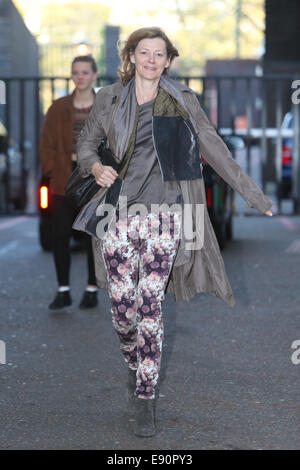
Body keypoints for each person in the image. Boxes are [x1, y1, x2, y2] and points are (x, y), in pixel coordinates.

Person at [74, 27, 273, 437]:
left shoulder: (182, 101)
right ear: (131, 57)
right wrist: (95, 166)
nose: (150, 59)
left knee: (150, 306)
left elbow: (214, 146)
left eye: (158, 53)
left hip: (165, 215)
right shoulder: (110, 98)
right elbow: (86, 147)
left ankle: (145, 398)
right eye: (143, 52)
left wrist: (253, 194)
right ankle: (134, 362)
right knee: (123, 309)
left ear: (168, 60)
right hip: (117, 215)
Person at [39, 55, 99, 310]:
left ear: (94, 75)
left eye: (85, 72)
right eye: (76, 72)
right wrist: (52, 170)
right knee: (60, 234)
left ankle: (91, 289)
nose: (80, 76)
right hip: (64, 177)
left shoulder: (105, 106)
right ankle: (63, 290)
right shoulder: (58, 107)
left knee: (92, 237)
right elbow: (47, 144)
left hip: (95, 179)